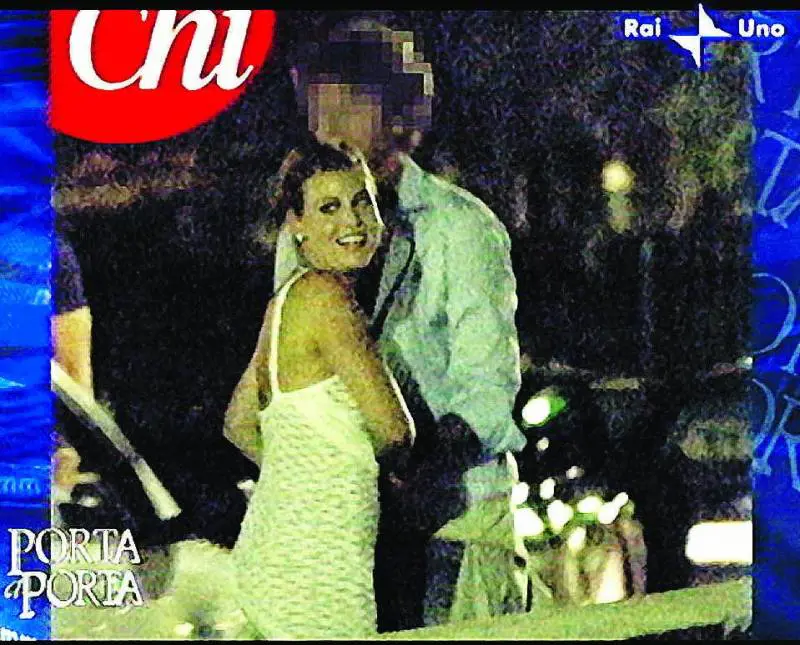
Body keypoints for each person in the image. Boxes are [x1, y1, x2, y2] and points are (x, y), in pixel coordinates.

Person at [291, 16, 529, 630]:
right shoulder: (304, 232)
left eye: (348, 110)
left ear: (401, 114)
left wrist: (414, 468)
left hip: (458, 522)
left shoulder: (459, 226)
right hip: (349, 533)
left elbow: (486, 391)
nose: (329, 132)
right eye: (318, 113)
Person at [223, 141, 415, 639]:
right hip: (317, 570)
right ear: (297, 224)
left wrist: (304, 473)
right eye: (329, 207)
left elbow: (238, 424)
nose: (352, 220)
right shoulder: (327, 298)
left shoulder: (287, 300)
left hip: (271, 555)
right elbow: (395, 430)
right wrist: (374, 474)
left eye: (362, 202)